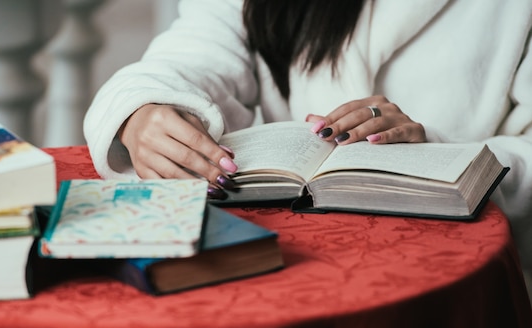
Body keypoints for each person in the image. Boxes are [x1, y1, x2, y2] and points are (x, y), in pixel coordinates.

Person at [83, 0, 532, 281]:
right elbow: (186, 59)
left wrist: (436, 152)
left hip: (453, 279)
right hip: (291, 266)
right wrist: (142, 110)